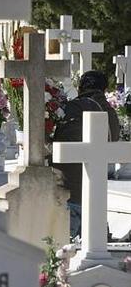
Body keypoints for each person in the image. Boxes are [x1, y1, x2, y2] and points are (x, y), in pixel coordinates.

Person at [52, 70, 120, 239]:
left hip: (69, 189)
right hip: (95, 191)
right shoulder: (109, 112)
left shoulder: (72, 108)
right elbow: (114, 138)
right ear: (103, 88)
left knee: (62, 251)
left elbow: (61, 141)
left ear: (81, 87)